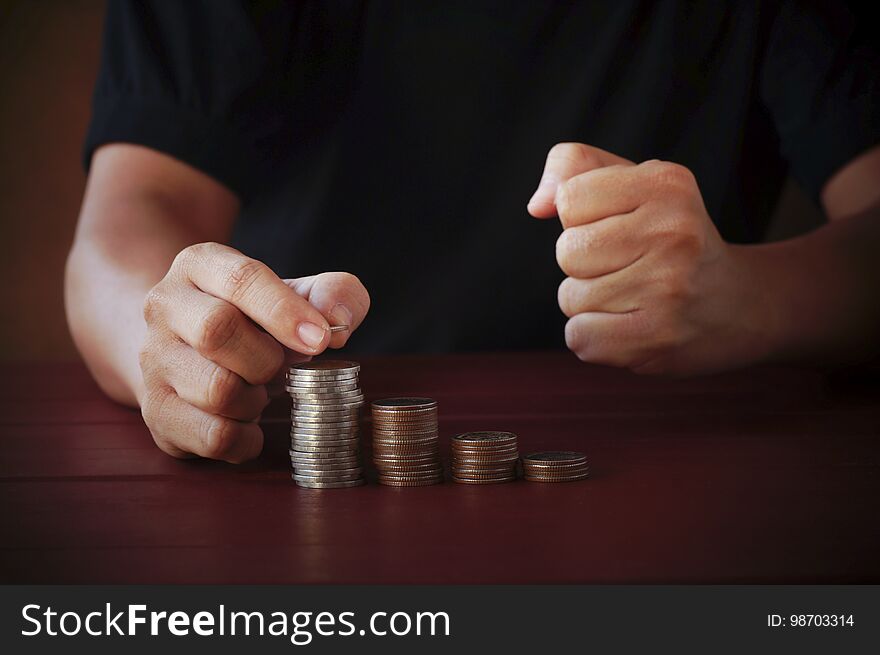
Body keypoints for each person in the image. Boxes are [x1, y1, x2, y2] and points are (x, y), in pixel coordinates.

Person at [65, 1, 880, 463]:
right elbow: (125, 223)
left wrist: (750, 295)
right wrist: (176, 336)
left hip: (691, 458)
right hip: (289, 436)